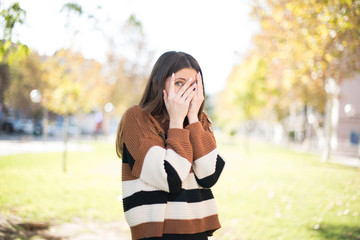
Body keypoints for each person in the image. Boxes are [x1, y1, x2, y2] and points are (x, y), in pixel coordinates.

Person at [115, 51, 225, 240]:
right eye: (179, 83)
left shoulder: (200, 121)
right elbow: (170, 178)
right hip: (158, 234)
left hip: (197, 231)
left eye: (193, 86)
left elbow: (209, 176)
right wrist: (176, 120)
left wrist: (192, 119)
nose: (186, 92)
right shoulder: (138, 118)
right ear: (160, 83)